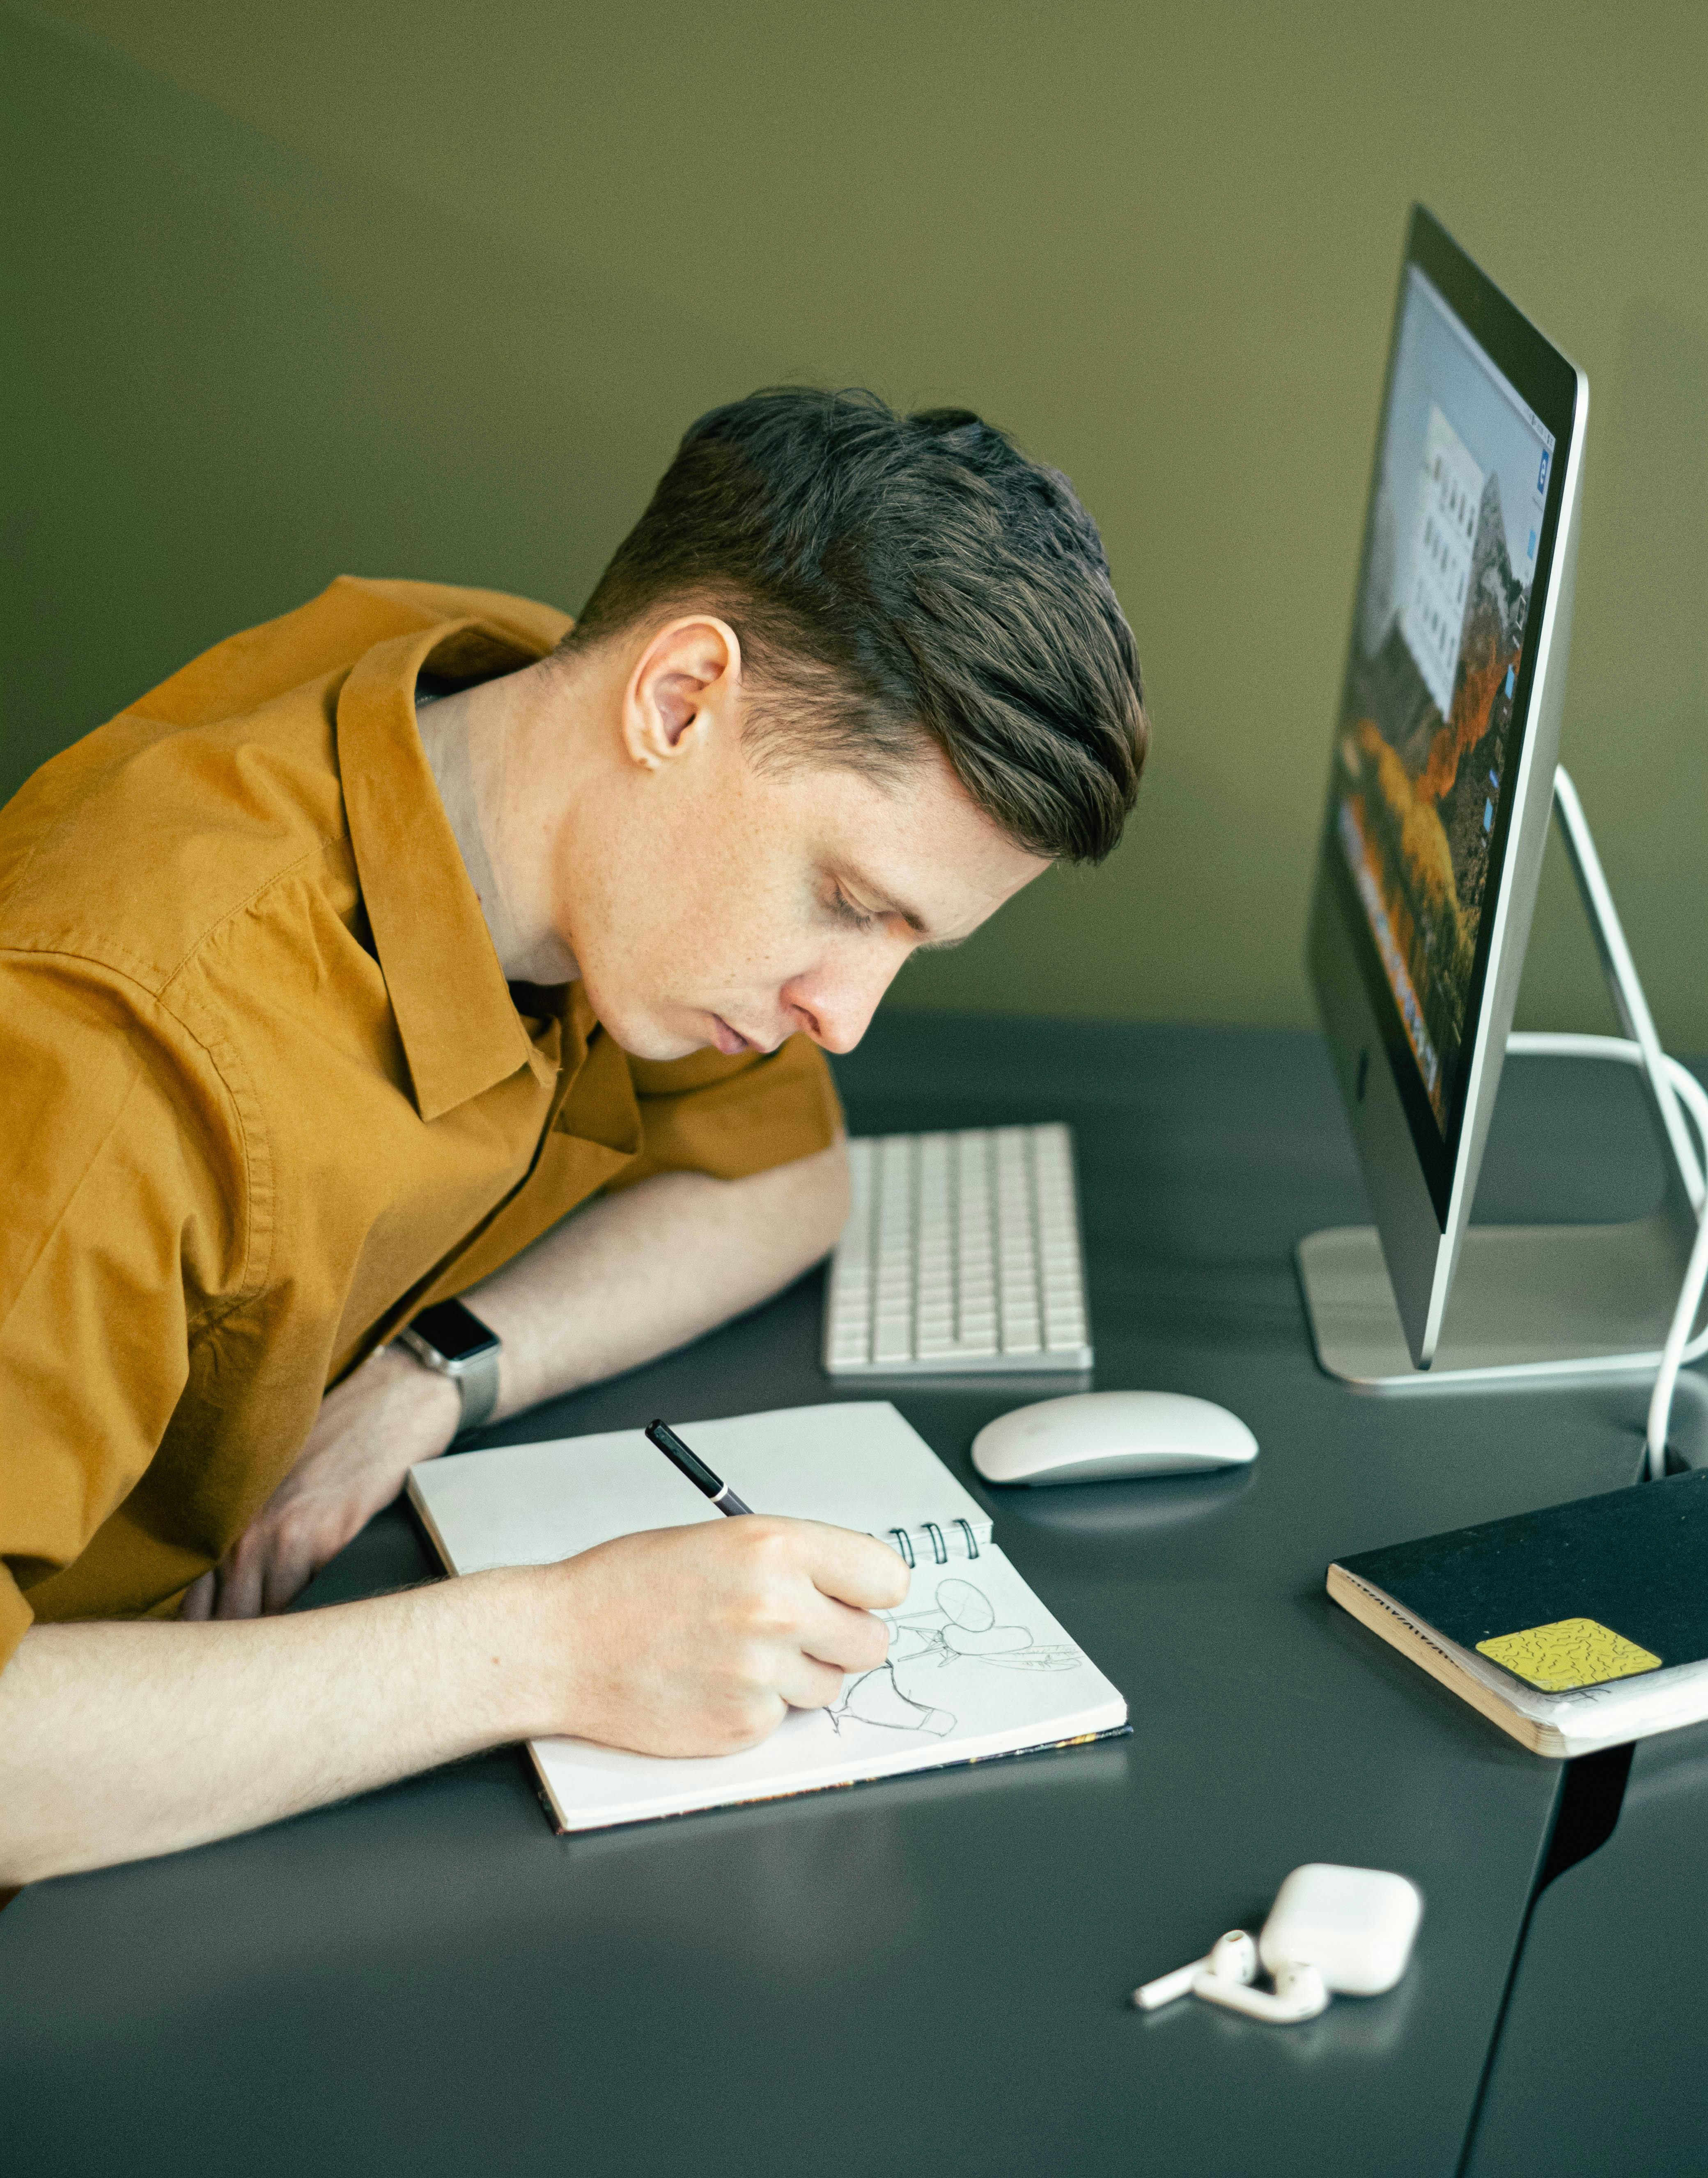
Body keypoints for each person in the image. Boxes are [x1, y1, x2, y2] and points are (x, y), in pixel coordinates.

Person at [0, 387, 1147, 1883]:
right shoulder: (117, 1056)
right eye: (852, 904)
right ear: (677, 700)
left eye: (907, 943)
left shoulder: (517, 727)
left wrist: (435, 1377)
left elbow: (787, 1182)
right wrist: (553, 1645)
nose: (848, 1014)